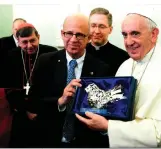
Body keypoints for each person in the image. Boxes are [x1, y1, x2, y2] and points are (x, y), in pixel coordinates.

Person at [75, 12, 161, 147]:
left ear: (154, 34)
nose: (128, 42)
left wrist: (108, 127)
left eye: (135, 33)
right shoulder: (125, 66)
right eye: (124, 35)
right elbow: (116, 111)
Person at [27, 14, 110, 148]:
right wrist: (60, 101)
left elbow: (105, 109)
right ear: (62, 34)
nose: (73, 39)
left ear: (88, 38)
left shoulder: (101, 68)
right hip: (50, 138)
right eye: (69, 33)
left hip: (85, 140)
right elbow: (33, 103)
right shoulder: (45, 61)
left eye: (80, 35)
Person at [3, 23, 58, 147]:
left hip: (46, 110)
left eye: (33, 40)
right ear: (18, 41)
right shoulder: (11, 56)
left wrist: (40, 109)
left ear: (38, 37)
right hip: (21, 111)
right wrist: (26, 110)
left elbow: (55, 85)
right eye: (24, 42)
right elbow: (8, 87)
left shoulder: (51, 53)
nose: (29, 46)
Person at [86, 7, 129, 76]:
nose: (97, 31)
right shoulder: (79, 53)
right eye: (93, 26)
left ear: (110, 29)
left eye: (102, 26)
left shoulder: (124, 57)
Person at [0, 18, 26, 87]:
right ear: (12, 29)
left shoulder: (30, 44)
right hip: (6, 82)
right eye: (16, 29)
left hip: (25, 81)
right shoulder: (2, 42)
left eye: (22, 29)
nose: (19, 32)